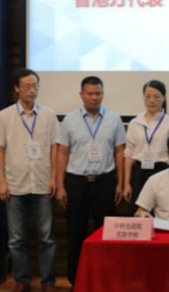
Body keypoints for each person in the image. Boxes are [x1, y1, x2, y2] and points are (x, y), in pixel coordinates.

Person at [0, 69, 59, 292]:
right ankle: (22, 280)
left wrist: (55, 177)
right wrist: (1, 181)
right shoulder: (4, 116)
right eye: (27, 86)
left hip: (42, 183)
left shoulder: (48, 115)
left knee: (47, 238)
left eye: (35, 86)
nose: (32, 90)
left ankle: (48, 282)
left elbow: (55, 148)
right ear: (17, 88)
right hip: (14, 184)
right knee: (16, 239)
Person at [55, 76, 126, 286]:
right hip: (76, 183)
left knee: (106, 234)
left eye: (98, 93)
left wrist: (121, 183)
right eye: (90, 93)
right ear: (81, 95)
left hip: (104, 183)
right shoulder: (70, 120)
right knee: (75, 234)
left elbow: (120, 151)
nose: (94, 97)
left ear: (103, 94)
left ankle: (105, 281)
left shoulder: (114, 119)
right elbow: (62, 153)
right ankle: (76, 281)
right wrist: (60, 185)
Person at [122, 80, 169, 213]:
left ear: (164, 97)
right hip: (139, 173)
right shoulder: (135, 122)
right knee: (139, 213)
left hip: (162, 171)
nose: (152, 100)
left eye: (156, 96)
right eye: (147, 96)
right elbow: (128, 155)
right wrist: (126, 184)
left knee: (162, 212)